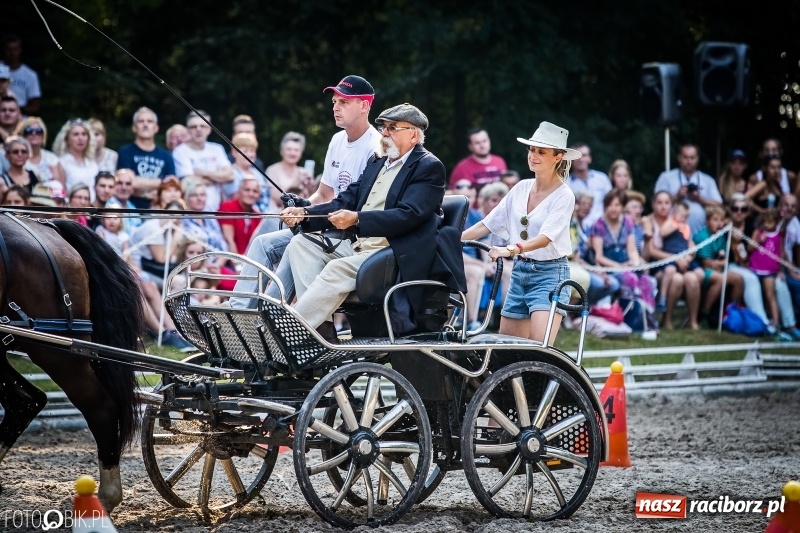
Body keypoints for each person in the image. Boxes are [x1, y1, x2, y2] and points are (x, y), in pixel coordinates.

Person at [282, 102, 462, 342]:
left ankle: (288, 333)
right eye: (383, 127)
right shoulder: (377, 161)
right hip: (360, 247)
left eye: (392, 128)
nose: (384, 133)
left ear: (414, 134)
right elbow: (346, 200)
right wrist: (306, 213)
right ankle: (320, 331)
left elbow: (409, 215)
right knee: (301, 244)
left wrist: (357, 219)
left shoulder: (428, 166)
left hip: (393, 252)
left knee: (336, 269)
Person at [230, 74, 381, 307]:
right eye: (335, 102)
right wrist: (300, 206)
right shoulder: (337, 140)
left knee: (297, 245)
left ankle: (268, 318)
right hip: (325, 227)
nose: (336, 108)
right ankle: (237, 311)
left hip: (352, 235)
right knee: (262, 243)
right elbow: (322, 195)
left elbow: (355, 205)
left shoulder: (375, 146)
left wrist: (307, 215)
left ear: (364, 106)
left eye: (344, 102)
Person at [462, 121, 579, 343]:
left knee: (537, 351)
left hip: (550, 274)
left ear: (558, 157)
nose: (533, 155)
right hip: (520, 272)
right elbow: (487, 224)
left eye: (541, 152)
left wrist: (510, 249)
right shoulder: (521, 188)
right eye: (531, 150)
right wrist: (450, 238)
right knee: (508, 352)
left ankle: (544, 378)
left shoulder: (564, 195)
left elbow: (545, 238)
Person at [654, 143, 723, 235]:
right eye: (685, 157)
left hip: (701, 233)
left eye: (692, 157)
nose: (689, 161)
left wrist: (699, 199)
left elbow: (719, 204)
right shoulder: (666, 177)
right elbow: (656, 203)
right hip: (671, 234)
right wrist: (677, 196)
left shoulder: (708, 180)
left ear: (698, 159)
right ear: (679, 158)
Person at [692, 205, 744, 327]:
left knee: (738, 280)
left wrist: (719, 263)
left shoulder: (720, 235)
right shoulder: (702, 237)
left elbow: (722, 259)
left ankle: (731, 311)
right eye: (715, 220)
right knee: (720, 279)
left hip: (717, 269)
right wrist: (719, 263)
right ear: (707, 221)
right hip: (700, 270)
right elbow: (706, 263)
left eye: (721, 220)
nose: (719, 223)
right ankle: (705, 313)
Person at [116, 106, 176, 209]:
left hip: (159, 210)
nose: (145, 124)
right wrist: (160, 183)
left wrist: (140, 186)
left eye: (149, 121)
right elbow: (129, 183)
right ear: (134, 127)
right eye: (141, 121)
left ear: (156, 128)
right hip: (130, 210)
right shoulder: (125, 152)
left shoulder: (166, 156)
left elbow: (171, 186)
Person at [172, 110, 233, 211]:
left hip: (216, 210)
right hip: (192, 212)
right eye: (193, 126)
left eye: (203, 126)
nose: (198, 130)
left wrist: (203, 173)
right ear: (187, 130)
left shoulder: (217, 149)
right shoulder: (180, 151)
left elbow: (230, 176)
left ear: (209, 129)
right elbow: (188, 183)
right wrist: (218, 178)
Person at [567, 142, 612, 230]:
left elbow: (611, 203)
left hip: (602, 229)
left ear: (589, 158)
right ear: (571, 160)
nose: (581, 159)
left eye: (584, 155)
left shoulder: (602, 179)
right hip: (576, 230)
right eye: (577, 156)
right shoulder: (565, 183)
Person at [449, 128, 507, 193]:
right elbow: (455, 194)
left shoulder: (500, 162)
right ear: (470, 146)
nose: (482, 145)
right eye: (477, 143)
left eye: (484, 141)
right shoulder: (461, 168)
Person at [52, 118, 99, 200]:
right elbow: (60, 192)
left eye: (84, 134)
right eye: (76, 134)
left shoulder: (92, 164)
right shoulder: (61, 163)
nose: (80, 138)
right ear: (67, 139)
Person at [266, 131, 313, 211]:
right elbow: (277, 198)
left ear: (301, 153)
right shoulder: (272, 171)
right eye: (289, 149)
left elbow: (310, 200)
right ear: (282, 151)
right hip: (279, 215)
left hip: (300, 215)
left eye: (296, 150)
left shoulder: (305, 173)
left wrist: (311, 188)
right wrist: (297, 182)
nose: (292, 153)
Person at [15, 116, 65, 185]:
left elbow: (60, 186)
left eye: (38, 131)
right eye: (29, 131)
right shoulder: (17, 157)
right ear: (23, 135)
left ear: (43, 135)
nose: (34, 134)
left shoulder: (52, 158)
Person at [0, 34, 41, 116]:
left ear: (20, 50)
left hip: (21, 120)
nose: (12, 53)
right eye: (9, 49)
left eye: (15, 49)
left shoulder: (30, 75)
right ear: (4, 50)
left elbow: (35, 106)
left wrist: (14, 109)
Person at [219, 177, 261, 254]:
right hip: (230, 258)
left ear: (259, 195)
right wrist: (237, 263)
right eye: (247, 190)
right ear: (239, 191)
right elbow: (229, 240)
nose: (251, 194)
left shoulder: (258, 216)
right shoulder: (228, 207)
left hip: (249, 259)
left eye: (255, 191)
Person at [105, 168, 142, 234]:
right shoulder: (108, 205)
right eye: (119, 183)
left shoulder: (132, 207)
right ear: (113, 186)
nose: (124, 188)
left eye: (128, 184)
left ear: (132, 188)